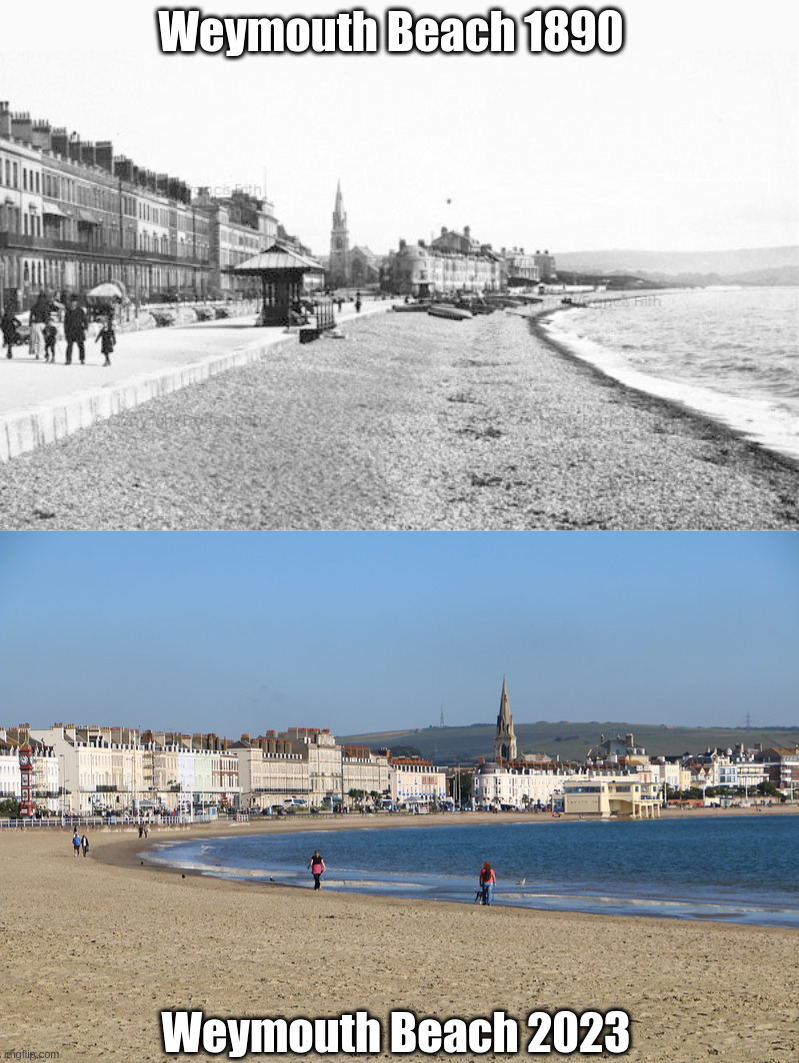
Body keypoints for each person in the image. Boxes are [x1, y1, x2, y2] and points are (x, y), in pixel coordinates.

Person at [63, 296, 88, 365]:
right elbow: (65, 322)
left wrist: (86, 327)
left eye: (74, 302)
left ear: (76, 303)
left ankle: (82, 359)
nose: (73, 303)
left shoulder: (80, 310)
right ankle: (68, 360)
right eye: (72, 302)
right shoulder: (68, 312)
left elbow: (85, 320)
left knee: (81, 345)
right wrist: (65, 331)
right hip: (70, 331)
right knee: (69, 346)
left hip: (79, 330)